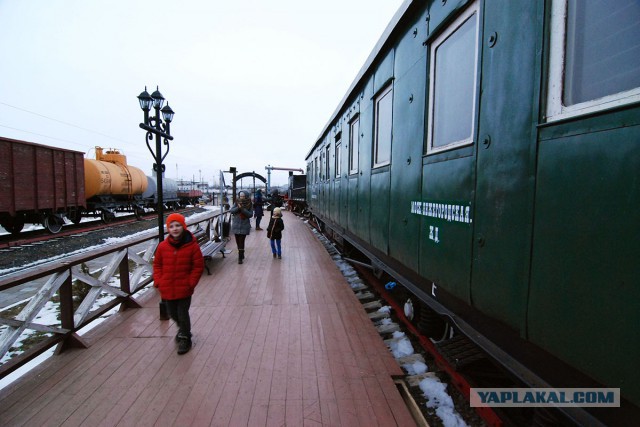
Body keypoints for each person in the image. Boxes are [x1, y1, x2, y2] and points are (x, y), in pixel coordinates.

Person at [153, 213, 204, 355]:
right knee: (172, 313)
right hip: (167, 287)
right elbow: (157, 265)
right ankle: (183, 330)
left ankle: (184, 338)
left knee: (182, 313)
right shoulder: (163, 246)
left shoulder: (192, 246)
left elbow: (198, 266)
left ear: (184, 226)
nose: (175, 229)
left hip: (184, 288)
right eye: (171, 226)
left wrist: (191, 283)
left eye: (178, 225)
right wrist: (158, 281)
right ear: (168, 229)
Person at [229, 190, 254, 264]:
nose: (242, 197)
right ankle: (241, 252)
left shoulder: (250, 204)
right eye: (241, 196)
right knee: (237, 241)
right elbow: (232, 211)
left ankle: (240, 257)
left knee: (241, 241)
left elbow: (250, 214)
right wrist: (238, 208)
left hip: (244, 225)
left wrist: (242, 209)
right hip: (236, 224)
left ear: (246, 196)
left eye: (243, 196)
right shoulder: (237, 202)